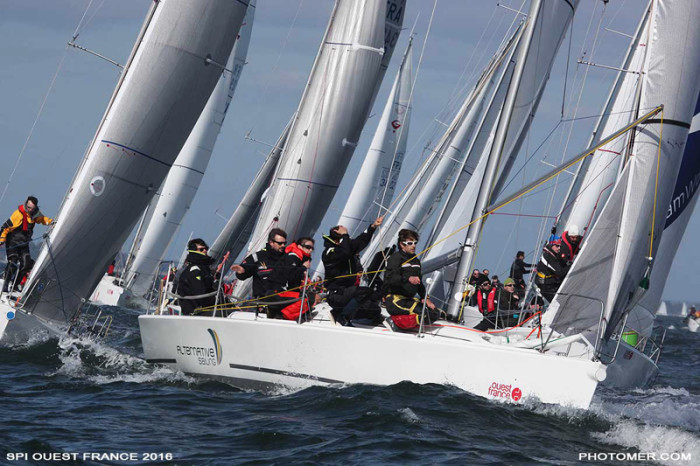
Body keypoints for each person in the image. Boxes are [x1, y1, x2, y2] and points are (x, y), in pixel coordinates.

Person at [322, 216, 383, 325]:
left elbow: (361, 241)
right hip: (336, 294)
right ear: (335, 233)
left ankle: (369, 318)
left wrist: (373, 227)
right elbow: (344, 253)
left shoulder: (345, 248)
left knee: (374, 301)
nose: (343, 228)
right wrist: (345, 235)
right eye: (340, 228)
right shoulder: (329, 252)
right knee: (365, 292)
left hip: (347, 293)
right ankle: (342, 317)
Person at [382, 229, 439, 330]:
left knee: (435, 312)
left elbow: (419, 283)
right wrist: (408, 279)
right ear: (402, 244)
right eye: (410, 243)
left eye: (415, 243)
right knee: (426, 314)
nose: (413, 245)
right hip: (396, 300)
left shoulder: (415, 260)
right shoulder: (396, 258)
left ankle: (409, 323)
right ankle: (395, 321)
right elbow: (389, 279)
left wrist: (426, 298)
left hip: (409, 300)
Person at [231, 228, 289, 318]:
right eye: (280, 243)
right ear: (271, 242)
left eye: (284, 243)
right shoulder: (258, 257)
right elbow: (244, 272)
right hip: (262, 305)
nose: (283, 245)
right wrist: (241, 271)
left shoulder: (287, 259)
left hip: (282, 303)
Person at [1, 196, 54, 292]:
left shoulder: (35, 215)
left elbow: (42, 219)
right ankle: (5, 286)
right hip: (13, 241)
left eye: (32, 209)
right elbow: (5, 227)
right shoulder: (18, 214)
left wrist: (51, 222)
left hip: (24, 243)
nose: (30, 210)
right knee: (12, 262)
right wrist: (2, 239)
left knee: (26, 264)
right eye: (29, 207)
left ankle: (15, 285)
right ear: (26, 205)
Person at [276, 237, 316, 321]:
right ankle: (283, 316)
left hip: (289, 292)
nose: (311, 250)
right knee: (308, 299)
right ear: (299, 246)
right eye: (308, 247)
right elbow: (291, 276)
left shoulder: (301, 259)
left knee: (311, 297)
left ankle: (292, 315)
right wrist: (303, 267)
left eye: (312, 248)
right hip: (279, 292)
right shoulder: (292, 257)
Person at [176, 238, 217, 316]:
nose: (205, 251)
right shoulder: (194, 270)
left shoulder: (204, 268)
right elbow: (200, 292)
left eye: (206, 249)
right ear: (194, 251)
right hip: (194, 311)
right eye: (201, 249)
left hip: (207, 307)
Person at [534, 238, 569, 303]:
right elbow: (560, 272)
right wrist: (571, 266)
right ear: (551, 245)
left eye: (559, 246)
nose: (559, 248)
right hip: (545, 285)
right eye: (557, 246)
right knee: (559, 303)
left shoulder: (553, 253)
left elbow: (562, 264)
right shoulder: (547, 256)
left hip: (551, 281)